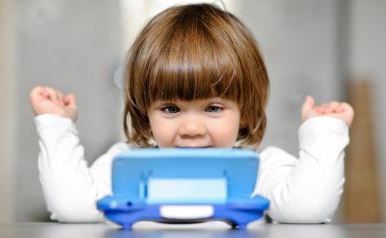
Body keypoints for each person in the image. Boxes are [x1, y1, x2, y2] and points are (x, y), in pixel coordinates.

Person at [29, 3, 354, 223]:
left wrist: (323, 132)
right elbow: (72, 208)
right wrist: (56, 125)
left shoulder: (259, 169)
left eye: (213, 108)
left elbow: (308, 210)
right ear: (145, 112)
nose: (191, 128)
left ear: (244, 110)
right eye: (171, 108)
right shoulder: (127, 165)